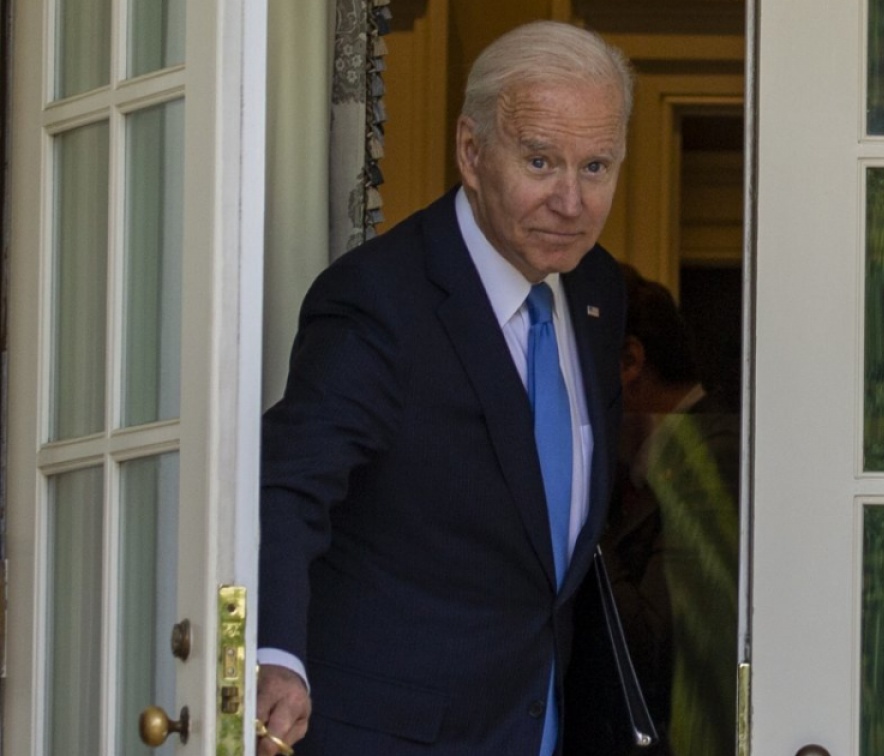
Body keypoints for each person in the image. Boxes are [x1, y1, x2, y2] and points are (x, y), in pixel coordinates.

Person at [254, 21, 633, 755]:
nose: (572, 201)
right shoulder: (379, 300)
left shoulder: (596, 289)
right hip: (396, 735)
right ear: (471, 151)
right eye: (540, 161)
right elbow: (290, 485)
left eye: (596, 166)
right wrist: (275, 655)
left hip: (539, 728)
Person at [566, 267, 741, 756]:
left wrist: (578, 494)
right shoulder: (648, 465)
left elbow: (649, 652)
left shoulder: (714, 457)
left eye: (567, 365)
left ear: (630, 361)